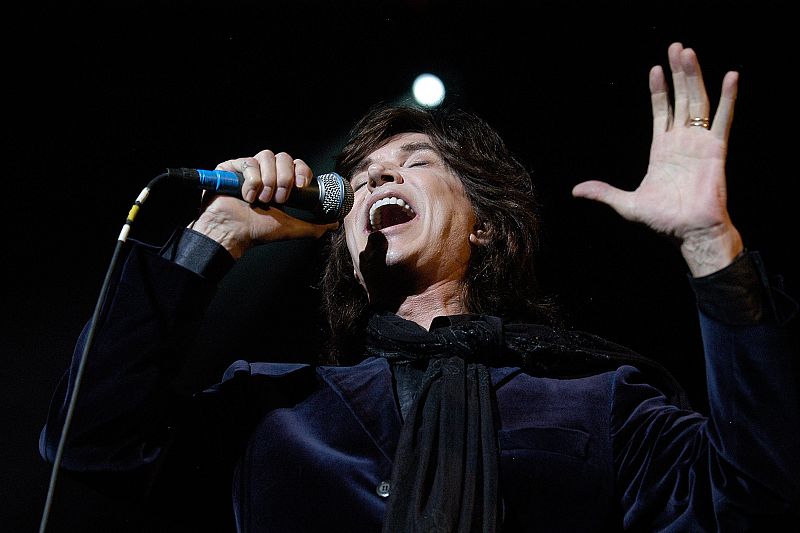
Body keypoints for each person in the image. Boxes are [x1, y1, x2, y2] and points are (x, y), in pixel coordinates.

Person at [39, 42, 798, 532]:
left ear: (485, 226)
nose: (378, 179)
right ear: (345, 242)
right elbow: (90, 439)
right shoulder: (270, 411)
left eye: (415, 163)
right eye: (363, 177)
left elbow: (756, 492)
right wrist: (215, 235)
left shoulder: (597, 401)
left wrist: (711, 248)